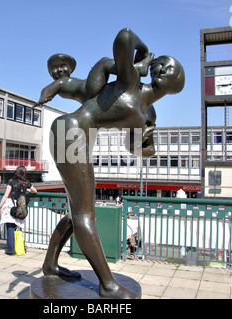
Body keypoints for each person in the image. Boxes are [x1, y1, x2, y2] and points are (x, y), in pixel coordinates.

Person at [42, 28, 185, 299]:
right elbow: (125, 36)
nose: (165, 69)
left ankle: (50, 264)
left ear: (178, 84)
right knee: (85, 215)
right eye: (163, 64)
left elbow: (132, 148)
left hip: (81, 137)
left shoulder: (148, 112)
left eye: (173, 69)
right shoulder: (131, 80)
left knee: (78, 213)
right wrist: (141, 55)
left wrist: (147, 145)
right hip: (70, 131)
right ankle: (107, 285)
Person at [0, 165, 37, 255]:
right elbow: (35, 191)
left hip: (10, 206)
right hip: (20, 207)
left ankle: (10, 250)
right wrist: (27, 190)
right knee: (17, 228)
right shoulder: (26, 182)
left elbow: (6, 195)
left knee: (10, 227)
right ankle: (19, 248)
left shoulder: (11, 181)